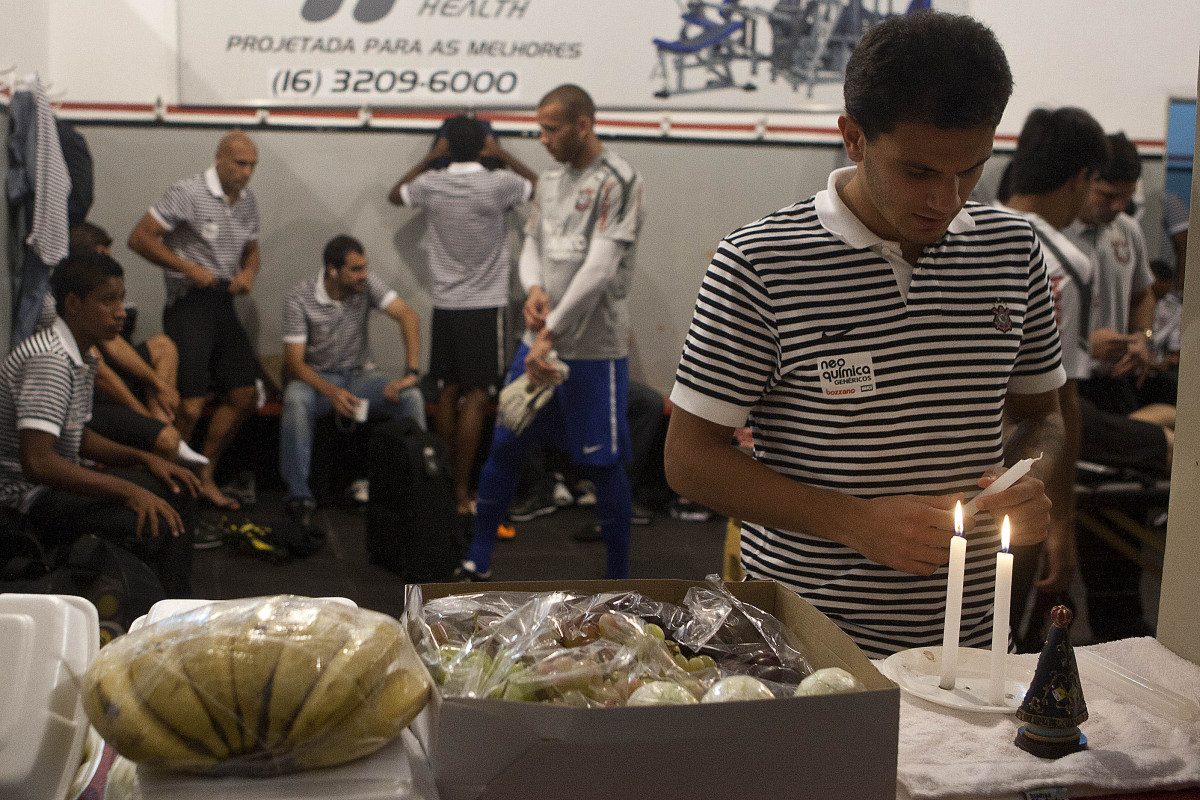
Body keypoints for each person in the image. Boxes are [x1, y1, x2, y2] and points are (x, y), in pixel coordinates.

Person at [664, 11, 1067, 658]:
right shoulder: (760, 262)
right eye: (918, 173)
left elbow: (1043, 415)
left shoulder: (1013, 249)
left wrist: (1030, 473)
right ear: (853, 137)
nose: (948, 198)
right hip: (808, 643)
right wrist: (855, 522)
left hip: (969, 646)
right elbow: (688, 459)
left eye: (972, 170)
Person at [455, 84, 646, 581]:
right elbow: (531, 245)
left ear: (583, 125)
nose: (541, 139)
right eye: (538, 128)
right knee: (505, 444)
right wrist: (533, 287)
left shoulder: (619, 181)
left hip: (592, 350)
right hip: (538, 341)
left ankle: (619, 577)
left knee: (602, 466)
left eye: (551, 129)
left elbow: (599, 269)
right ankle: (477, 558)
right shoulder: (549, 181)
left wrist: (551, 334)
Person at [0, 251, 200, 596]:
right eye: (108, 300)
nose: (121, 311)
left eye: (120, 299)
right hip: (26, 499)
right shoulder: (49, 360)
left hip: (53, 483)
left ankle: (173, 608)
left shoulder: (80, 352)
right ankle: (153, 613)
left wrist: (145, 459)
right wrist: (129, 490)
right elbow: (38, 464)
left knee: (177, 490)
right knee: (159, 520)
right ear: (74, 304)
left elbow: (78, 438)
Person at [993, 106, 1109, 650]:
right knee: (1004, 649)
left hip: (947, 479)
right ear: (1080, 178)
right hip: (1015, 483)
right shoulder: (1062, 260)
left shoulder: (969, 234)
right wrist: (1061, 525)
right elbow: (1062, 403)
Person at [388, 115, 536, 515]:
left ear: (447, 146)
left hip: (445, 305)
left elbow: (394, 196)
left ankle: (444, 485)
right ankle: (461, 492)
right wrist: (502, 153)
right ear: (484, 144)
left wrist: (429, 158)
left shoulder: (432, 184)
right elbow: (539, 188)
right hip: (484, 306)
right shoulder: (499, 182)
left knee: (449, 391)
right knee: (477, 395)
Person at [128, 131, 262, 510]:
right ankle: (166, 481)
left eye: (253, 165)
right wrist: (187, 267)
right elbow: (139, 238)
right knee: (189, 406)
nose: (247, 172)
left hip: (222, 301)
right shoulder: (187, 192)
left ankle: (203, 475)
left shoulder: (248, 202)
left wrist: (249, 274)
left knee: (244, 395)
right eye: (240, 163)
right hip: (189, 302)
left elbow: (252, 252)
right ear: (219, 159)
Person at [279, 235, 426, 526]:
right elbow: (295, 364)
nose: (364, 275)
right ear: (333, 270)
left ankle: (417, 487)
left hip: (360, 377)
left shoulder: (366, 285)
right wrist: (331, 392)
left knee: (412, 398)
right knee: (295, 401)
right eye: (356, 269)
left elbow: (409, 317)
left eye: (365, 267)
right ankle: (299, 495)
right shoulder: (300, 297)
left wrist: (410, 374)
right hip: (318, 380)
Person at [1065, 133, 1159, 416]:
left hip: (1115, 381)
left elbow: (1143, 296)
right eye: (1107, 196)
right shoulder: (1051, 232)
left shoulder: (1127, 229)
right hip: (1064, 383)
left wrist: (1143, 336)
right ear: (1083, 180)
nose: (1117, 206)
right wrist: (1083, 346)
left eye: (1126, 197)